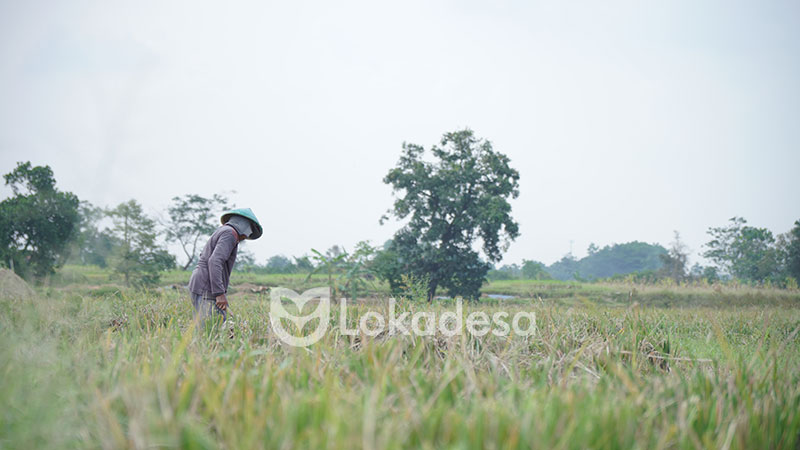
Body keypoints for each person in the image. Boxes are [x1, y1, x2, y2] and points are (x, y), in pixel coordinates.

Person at [188, 208, 262, 327]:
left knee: (207, 328)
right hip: (206, 287)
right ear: (244, 226)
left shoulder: (224, 231)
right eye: (248, 233)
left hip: (201, 284)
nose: (245, 237)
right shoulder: (229, 234)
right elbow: (215, 261)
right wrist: (219, 293)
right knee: (211, 330)